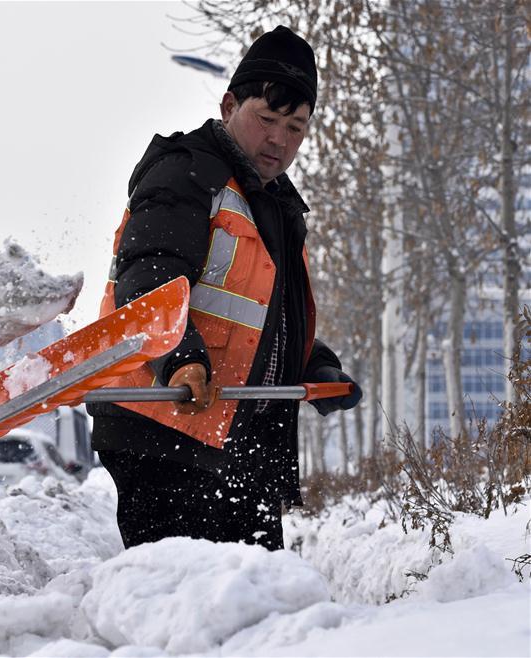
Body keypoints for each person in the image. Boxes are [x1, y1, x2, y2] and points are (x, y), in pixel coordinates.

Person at [87, 26, 362, 551]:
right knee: (188, 603)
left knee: (256, 605)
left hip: (238, 436)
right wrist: (181, 360)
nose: (280, 140)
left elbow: (260, 317)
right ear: (229, 103)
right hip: (164, 427)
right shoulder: (186, 173)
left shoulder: (275, 204)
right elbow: (150, 275)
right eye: (267, 119)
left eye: (296, 128)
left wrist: (313, 364)